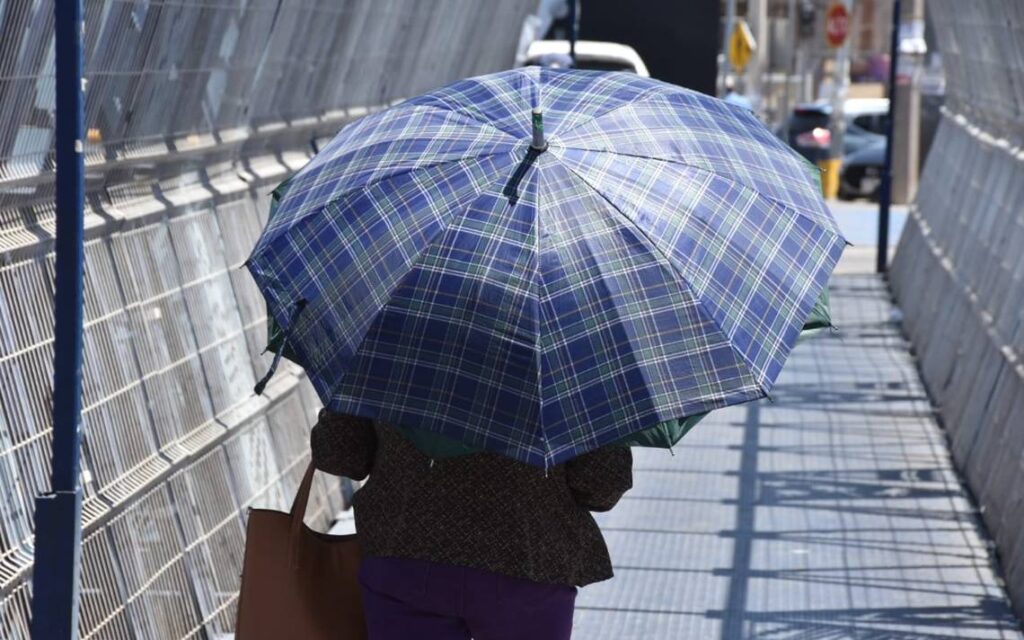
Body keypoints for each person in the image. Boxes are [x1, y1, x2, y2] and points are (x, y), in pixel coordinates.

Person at [311, 410, 633, 640]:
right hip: (530, 561)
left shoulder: (394, 336)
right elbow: (602, 484)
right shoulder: (570, 355)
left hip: (405, 555)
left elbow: (340, 455)